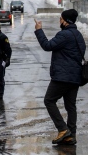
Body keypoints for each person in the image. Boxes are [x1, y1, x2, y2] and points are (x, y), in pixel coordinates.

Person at [34, 9, 85, 146]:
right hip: (75, 76)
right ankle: (71, 135)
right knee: (70, 106)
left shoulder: (64, 35)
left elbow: (47, 45)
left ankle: (63, 129)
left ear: (65, 21)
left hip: (62, 76)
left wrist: (39, 30)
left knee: (49, 100)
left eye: (60, 19)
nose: (59, 21)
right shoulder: (78, 35)